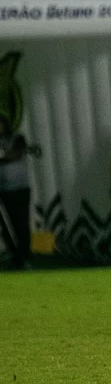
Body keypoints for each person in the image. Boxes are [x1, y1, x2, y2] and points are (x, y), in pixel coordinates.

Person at [0, 114, 32, 270]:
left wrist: (2, 157)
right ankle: (16, 255)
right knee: (10, 225)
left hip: (20, 188)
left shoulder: (17, 138)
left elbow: (17, 153)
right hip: (4, 189)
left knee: (22, 223)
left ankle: (24, 256)